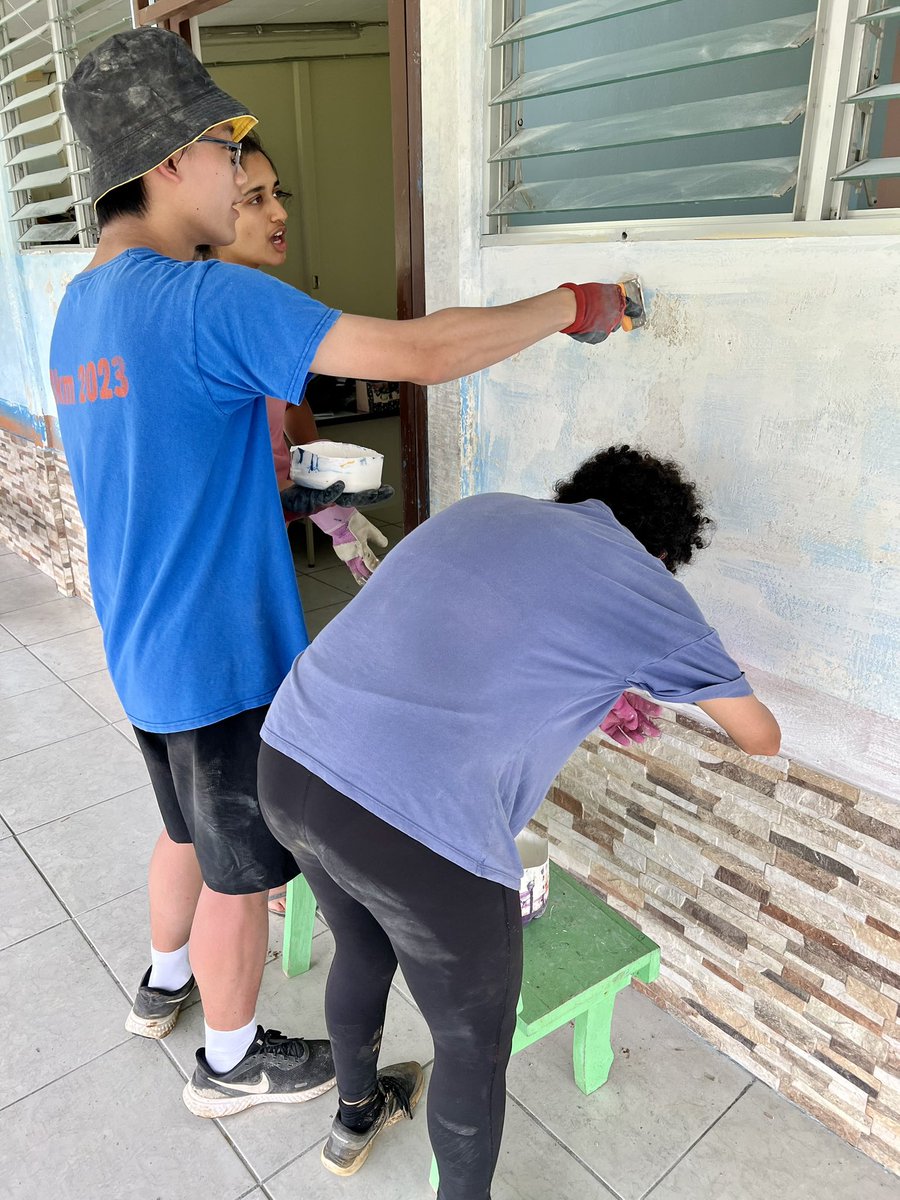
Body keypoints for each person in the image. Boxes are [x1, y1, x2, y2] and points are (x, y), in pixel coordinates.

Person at [51, 27, 633, 1120]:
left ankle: (162, 983)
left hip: (137, 644)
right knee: (240, 876)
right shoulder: (204, 299)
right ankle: (230, 1061)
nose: (245, 179)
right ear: (173, 158)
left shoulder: (81, 308)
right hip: (220, 655)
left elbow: (152, 457)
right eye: (233, 150)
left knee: (181, 828)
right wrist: (571, 305)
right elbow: (417, 353)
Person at [256, 445, 781, 1198]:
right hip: (415, 831)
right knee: (473, 1047)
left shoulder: (484, 509)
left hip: (289, 759)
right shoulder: (642, 581)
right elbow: (759, 735)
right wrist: (643, 668)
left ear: (577, 495)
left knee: (363, 947)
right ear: (662, 550)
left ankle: (355, 1116)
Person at [212, 132, 387, 917]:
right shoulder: (218, 308)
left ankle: (180, 955)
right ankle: (271, 871)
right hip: (232, 563)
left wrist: (331, 492)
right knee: (267, 712)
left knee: (297, 690)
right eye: (253, 200)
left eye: (279, 195)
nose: (278, 214)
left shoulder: (262, 305)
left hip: (276, 535)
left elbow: (295, 415)